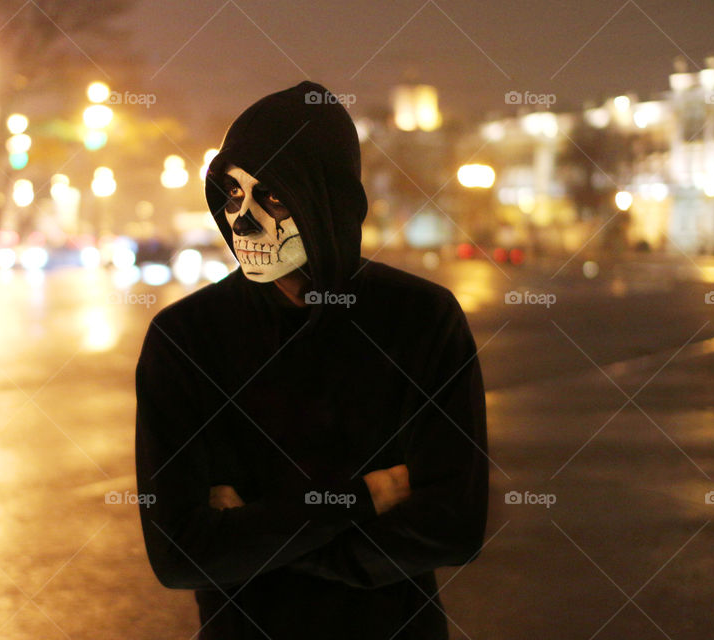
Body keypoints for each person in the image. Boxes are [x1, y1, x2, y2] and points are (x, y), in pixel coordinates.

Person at [135, 81, 489, 640]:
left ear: (328, 200)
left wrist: (255, 537)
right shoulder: (185, 339)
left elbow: (455, 526)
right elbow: (179, 553)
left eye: (271, 196)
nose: (240, 220)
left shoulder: (421, 319)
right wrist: (361, 499)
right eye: (232, 194)